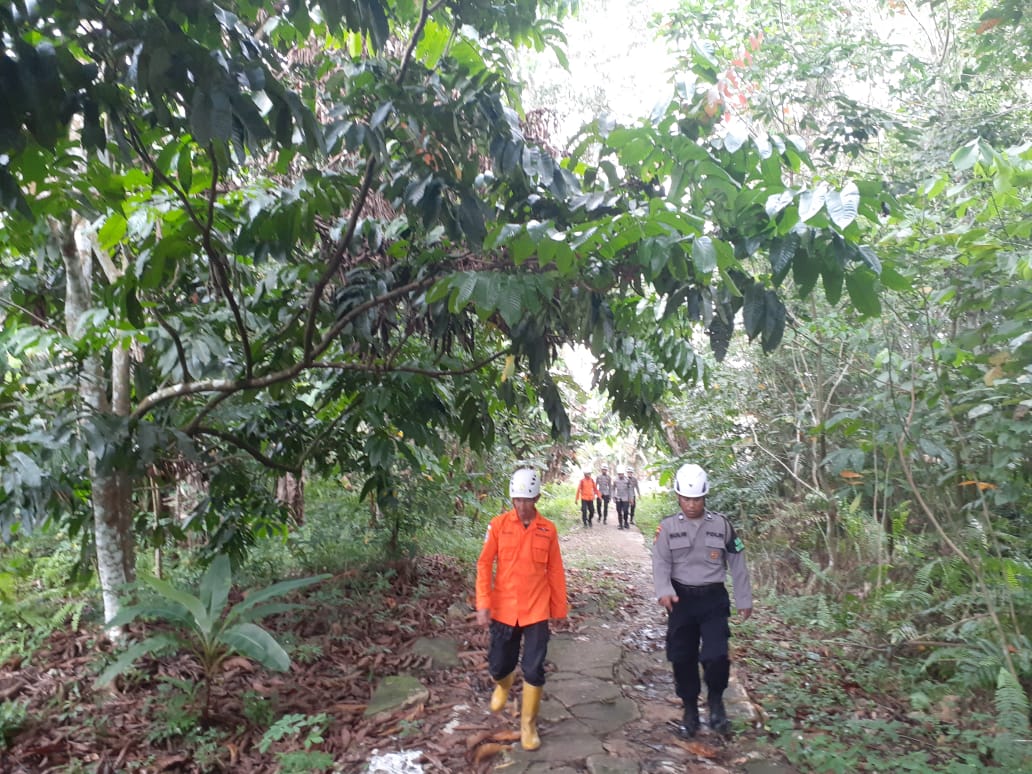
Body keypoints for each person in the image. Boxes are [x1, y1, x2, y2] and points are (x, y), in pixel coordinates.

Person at [652, 463, 753, 738]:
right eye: (686, 498)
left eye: (696, 498)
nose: (691, 504)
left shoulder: (722, 525)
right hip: (681, 600)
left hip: (712, 599)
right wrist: (663, 589)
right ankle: (690, 711)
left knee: (716, 655)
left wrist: (744, 598)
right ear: (678, 497)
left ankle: (717, 704)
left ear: (705, 497)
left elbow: (738, 561)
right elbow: (660, 561)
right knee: (682, 657)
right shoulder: (668, 528)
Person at [476, 468, 569, 751]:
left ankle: (528, 724)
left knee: (534, 668)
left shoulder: (548, 529)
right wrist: (483, 603)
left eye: (527, 500)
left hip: (537, 609)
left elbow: (555, 570)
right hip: (504, 608)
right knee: (499, 665)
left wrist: (559, 608)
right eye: (517, 499)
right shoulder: (498, 525)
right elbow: (483, 564)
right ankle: (503, 684)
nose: (522, 506)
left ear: (537, 498)